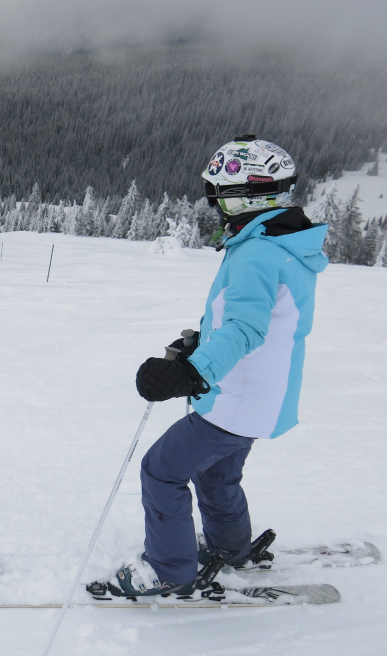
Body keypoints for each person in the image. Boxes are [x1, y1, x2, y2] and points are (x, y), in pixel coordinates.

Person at [110, 134, 329, 597]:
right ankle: (231, 548)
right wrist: (199, 345)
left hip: (234, 399)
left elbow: (246, 329)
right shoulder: (283, 246)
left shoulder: (257, 253)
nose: (217, 207)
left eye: (221, 197)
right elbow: (254, 321)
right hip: (259, 397)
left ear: (247, 196)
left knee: (161, 471)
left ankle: (169, 570)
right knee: (217, 474)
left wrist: (191, 372)